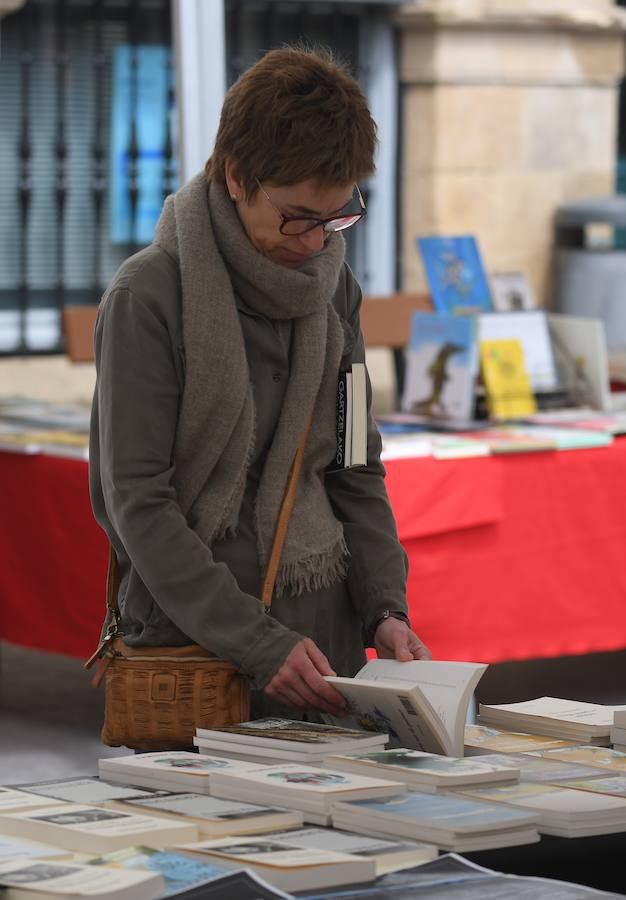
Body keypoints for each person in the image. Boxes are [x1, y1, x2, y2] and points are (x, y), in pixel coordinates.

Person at [89, 46, 431, 725]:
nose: (314, 241)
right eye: (297, 216)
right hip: (194, 648)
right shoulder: (148, 297)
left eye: (336, 217)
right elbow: (138, 502)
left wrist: (386, 608)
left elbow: (356, 463)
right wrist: (255, 641)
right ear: (238, 176)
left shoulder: (338, 293)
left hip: (322, 645)